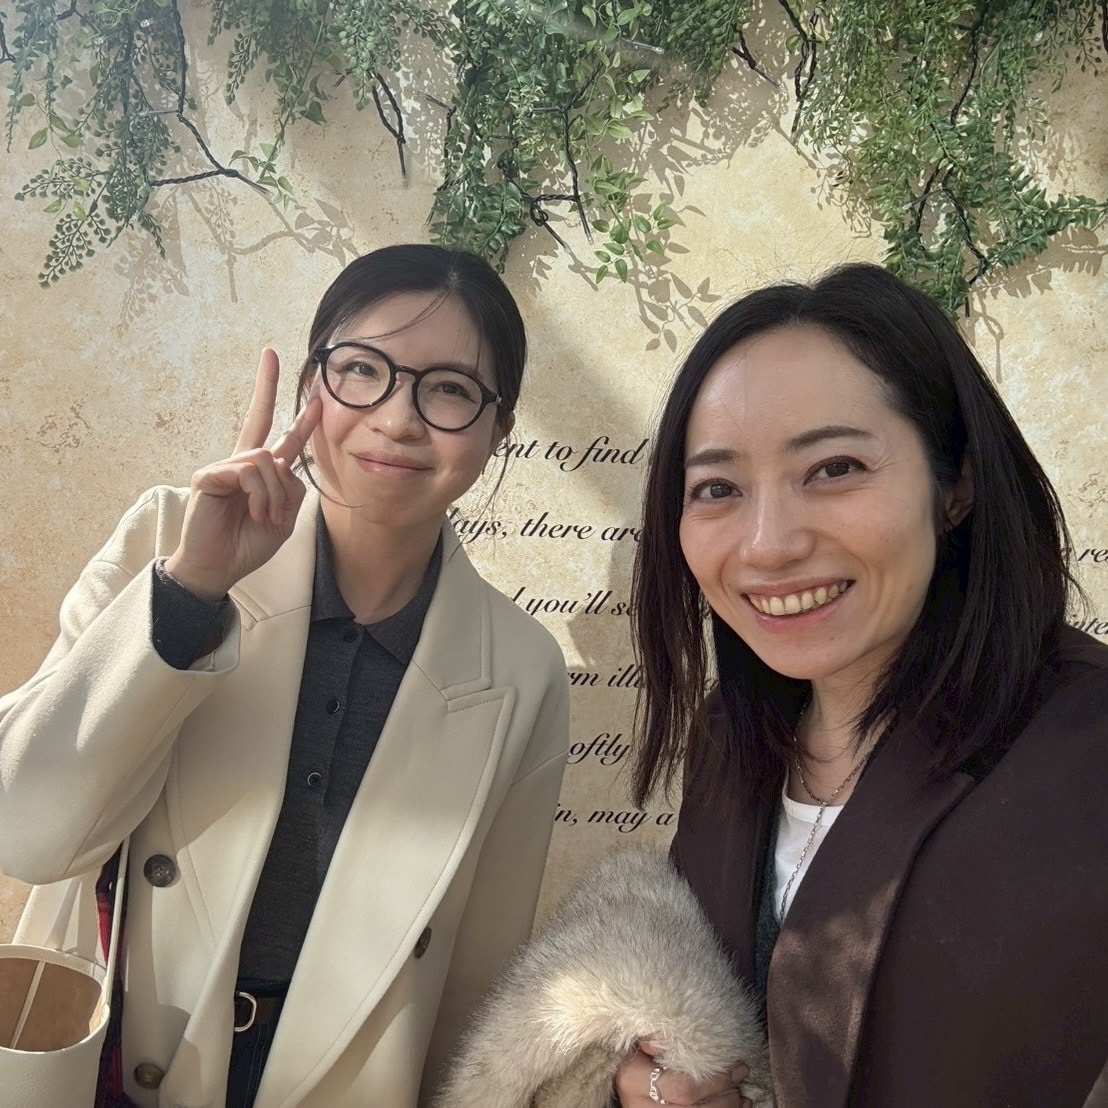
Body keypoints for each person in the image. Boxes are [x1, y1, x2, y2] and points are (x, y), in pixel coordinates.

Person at [0, 244, 570, 1107]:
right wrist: (192, 592)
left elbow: (476, 987)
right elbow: (27, 835)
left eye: (450, 388)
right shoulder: (170, 539)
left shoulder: (523, 671)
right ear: (311, 387)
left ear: (500, 431)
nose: (397, 419)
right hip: (112, 1058)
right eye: (362, 370)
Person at [615, 263, 1108, 1107]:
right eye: (718, 489)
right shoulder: (729, 737)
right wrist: (650, 1085)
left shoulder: (1084, 752)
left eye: (834, 468)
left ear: (955, 486)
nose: (768, 545)